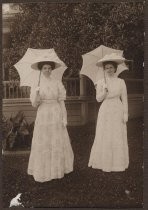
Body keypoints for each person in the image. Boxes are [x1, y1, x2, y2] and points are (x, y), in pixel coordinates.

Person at [27, 60, 74, 182]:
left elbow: (61, 101)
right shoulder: (36, 83)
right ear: (41, 70)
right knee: (44, 140)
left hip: (56, 113)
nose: (47, 70)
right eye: (44, 68)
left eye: (49, 68)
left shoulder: (57, 82)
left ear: (52, 69)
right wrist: (36, 94)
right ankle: (44, 170)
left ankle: (58, 169)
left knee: (56, 139)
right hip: (43, 114)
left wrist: (65, 117)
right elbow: (34, 104)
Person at [88, 54, 129, 172]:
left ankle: (117, 163)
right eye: (107, 68)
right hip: (105, 110)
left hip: (117, 108)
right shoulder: (101, 82)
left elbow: (124, 99)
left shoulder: (121, 82)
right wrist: (104, 92)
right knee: (105, 133)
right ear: (104, 69)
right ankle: (103, 161)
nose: (109, 70)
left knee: (116, 134)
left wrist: (125, 113)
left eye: (111, 67)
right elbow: (98, 99)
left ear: (115, 68)